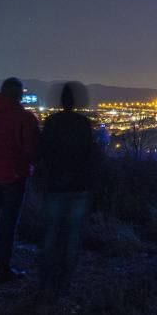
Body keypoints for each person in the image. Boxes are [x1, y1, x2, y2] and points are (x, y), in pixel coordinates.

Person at [0, 77, 40, 283]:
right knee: (7, 224)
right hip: (13, 176)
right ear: (19, 94)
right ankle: (2, 269)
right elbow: (32, 150)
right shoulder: (25, 118)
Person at [38, 82, 98, 296]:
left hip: (54, 186)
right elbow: (91, 156)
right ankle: (65, 283)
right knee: (73, 234)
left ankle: (44, 281)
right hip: (79, 187)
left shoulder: (51, 122)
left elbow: (42, 153)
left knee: (51, 232)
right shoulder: (83, 124)